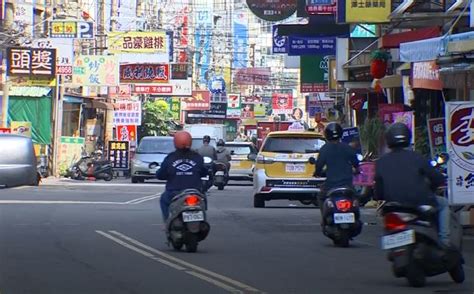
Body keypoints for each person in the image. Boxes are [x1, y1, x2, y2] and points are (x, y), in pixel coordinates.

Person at [374, 123, 450, 247]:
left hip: (393, 206)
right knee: (443, 203)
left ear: (388, 141)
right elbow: (437, 178)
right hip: (419, 203)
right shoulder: (417, 157)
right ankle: (444, 241)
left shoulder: (381, 162)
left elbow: (378, 191)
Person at [156, 131, 208, 222]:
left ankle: (167, 221)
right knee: (203, 199)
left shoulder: (170, 158)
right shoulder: (197, 157)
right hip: (195, 191)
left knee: (163, 200)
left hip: (174, 192)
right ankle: (203, 219)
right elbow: (204, 172)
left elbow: (161, 174)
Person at [314, 122, 360, 223]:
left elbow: (319, 166)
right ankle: (357, 219)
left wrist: (317, 173)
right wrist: (357, 170)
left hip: (331, 185)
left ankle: (324, 220)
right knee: (356, 199)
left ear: (326, 135)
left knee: (320, 197)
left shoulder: (324, 149)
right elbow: (356, 164)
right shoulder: (348, 148)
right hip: (347, 185)